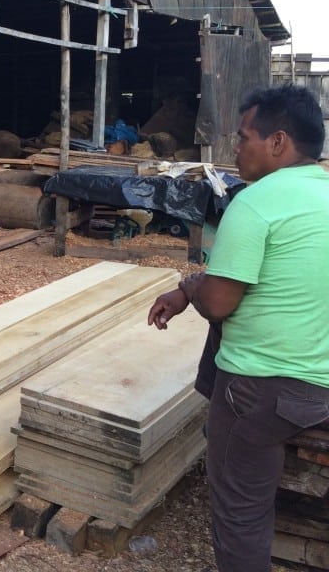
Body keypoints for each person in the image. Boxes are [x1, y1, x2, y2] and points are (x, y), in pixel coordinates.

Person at [147, 84, 329, 572]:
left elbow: (222, 304)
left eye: (243, 136)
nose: (235, 147)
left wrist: (195, 292)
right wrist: (190, 289)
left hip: (261, 392)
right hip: (322, 383)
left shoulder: (255, 203)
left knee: (243, 517)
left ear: (277, 143)